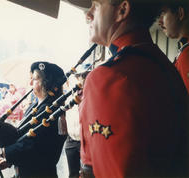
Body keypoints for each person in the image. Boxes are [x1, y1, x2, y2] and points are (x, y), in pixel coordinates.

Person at [67, 0, 189, 177]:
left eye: (96, 5)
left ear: (122, 10)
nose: (88, 14)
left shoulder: (108, 77)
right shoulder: (164, 66)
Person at [0, 61, 67, 178]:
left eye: (34, 79)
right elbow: (22, 138)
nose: (30, 83)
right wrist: (10, 161)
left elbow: (34, 147)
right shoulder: (35, 106)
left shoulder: (52, 111)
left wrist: (3, 152)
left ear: (47, 83)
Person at [65, 63, 91, 178]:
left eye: (85, 75)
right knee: (73, 174)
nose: (82, 78)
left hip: (86, 140)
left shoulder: (91, 94)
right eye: (79, 75)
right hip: (71, 140)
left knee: (88, 173)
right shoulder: (70, 95)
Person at [158, 0, 189, 92]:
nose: (160, 22)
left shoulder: (187, 55)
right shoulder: (184, 51)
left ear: (180, 13)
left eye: (163, 13)